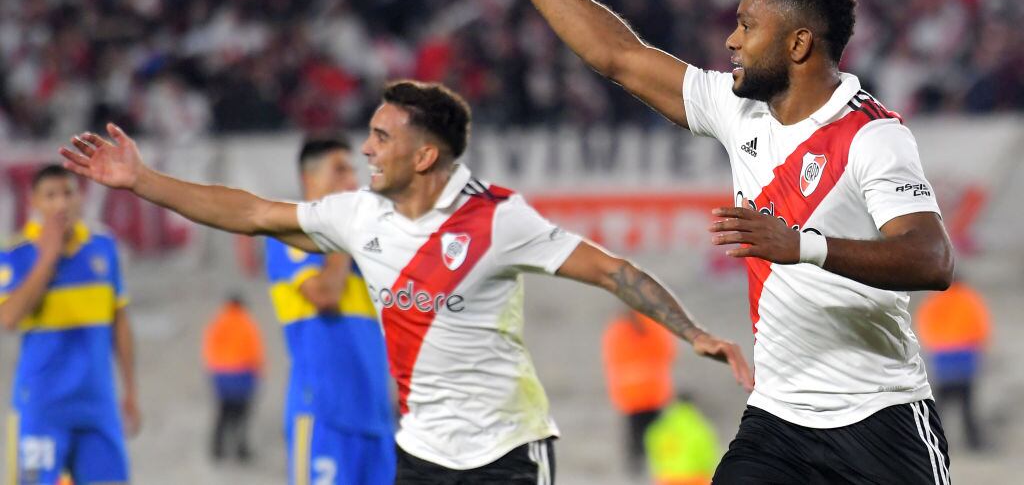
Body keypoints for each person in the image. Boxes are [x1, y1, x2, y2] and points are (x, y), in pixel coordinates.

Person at [447, 0, 955, 484]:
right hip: (779, 419)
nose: (731, 39)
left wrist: (803, 247)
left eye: (747, 26)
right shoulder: (737, 109)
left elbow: (932, 260)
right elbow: (619, 56)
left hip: (880, 419)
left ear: (798, 44)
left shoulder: (872, 136)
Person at [59, 80, 752, 485]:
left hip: (508, 452)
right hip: (418, 452)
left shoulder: (499, 219)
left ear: (424, 155)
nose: (366, 148)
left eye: (381, 137)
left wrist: (692, 332)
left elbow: (613, 269)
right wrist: (143, 181)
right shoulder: (359, 216)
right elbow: (249, 212)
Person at [264, 137, 394, 484]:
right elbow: (325, 295)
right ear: (309, 179)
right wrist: (344, 230)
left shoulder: (368, 249)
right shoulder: (289, 234)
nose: (352, 180)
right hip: (325, 416)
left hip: (377, 421)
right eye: (340, 170)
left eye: (352, 170)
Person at [0, 165, 140, 485]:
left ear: (80, 198)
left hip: (97, 405)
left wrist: (130, 390)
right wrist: (47, 259)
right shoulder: (17, 253)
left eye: (68, 193)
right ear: (34, 202)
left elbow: (120, 322)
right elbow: (8, 318)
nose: (61, 203)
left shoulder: (102, 246)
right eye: (50, 196)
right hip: (42, 407)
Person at [916, 276, 991, 450]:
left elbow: (925, 323)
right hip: (965, 355)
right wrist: (978, 346)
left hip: (943, 356)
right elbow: (980, 324)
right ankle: (973, 441)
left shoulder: (935, 299)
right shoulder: (969, 298)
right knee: (966, 403)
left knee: (940, 403)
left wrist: (935, 343)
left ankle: (931, 438)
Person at [601, 310, 676, 476]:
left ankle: (636, 469)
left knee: (635, 436)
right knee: (657, 436)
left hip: (630, 394)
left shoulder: (617, 329)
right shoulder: (654, 326)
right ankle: (654, 467)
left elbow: (611, 358)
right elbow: (668, 352)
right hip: (653, 392)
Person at [202, 293, 264, 462]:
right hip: (242, 374)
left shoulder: (219, 321)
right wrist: (259, 372)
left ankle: (217, 448)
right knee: (241, 415)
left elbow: (209, 347)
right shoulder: (246, 323)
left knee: (223, 413)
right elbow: (255, 350)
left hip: (221, 374)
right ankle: (240, 449)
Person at [644, 395, 720, 485]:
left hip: (668, 478)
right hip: (695, 478)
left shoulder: (663, 426)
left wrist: (659, 469)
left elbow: (652, 445)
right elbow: (709, 453)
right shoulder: (700, 427)